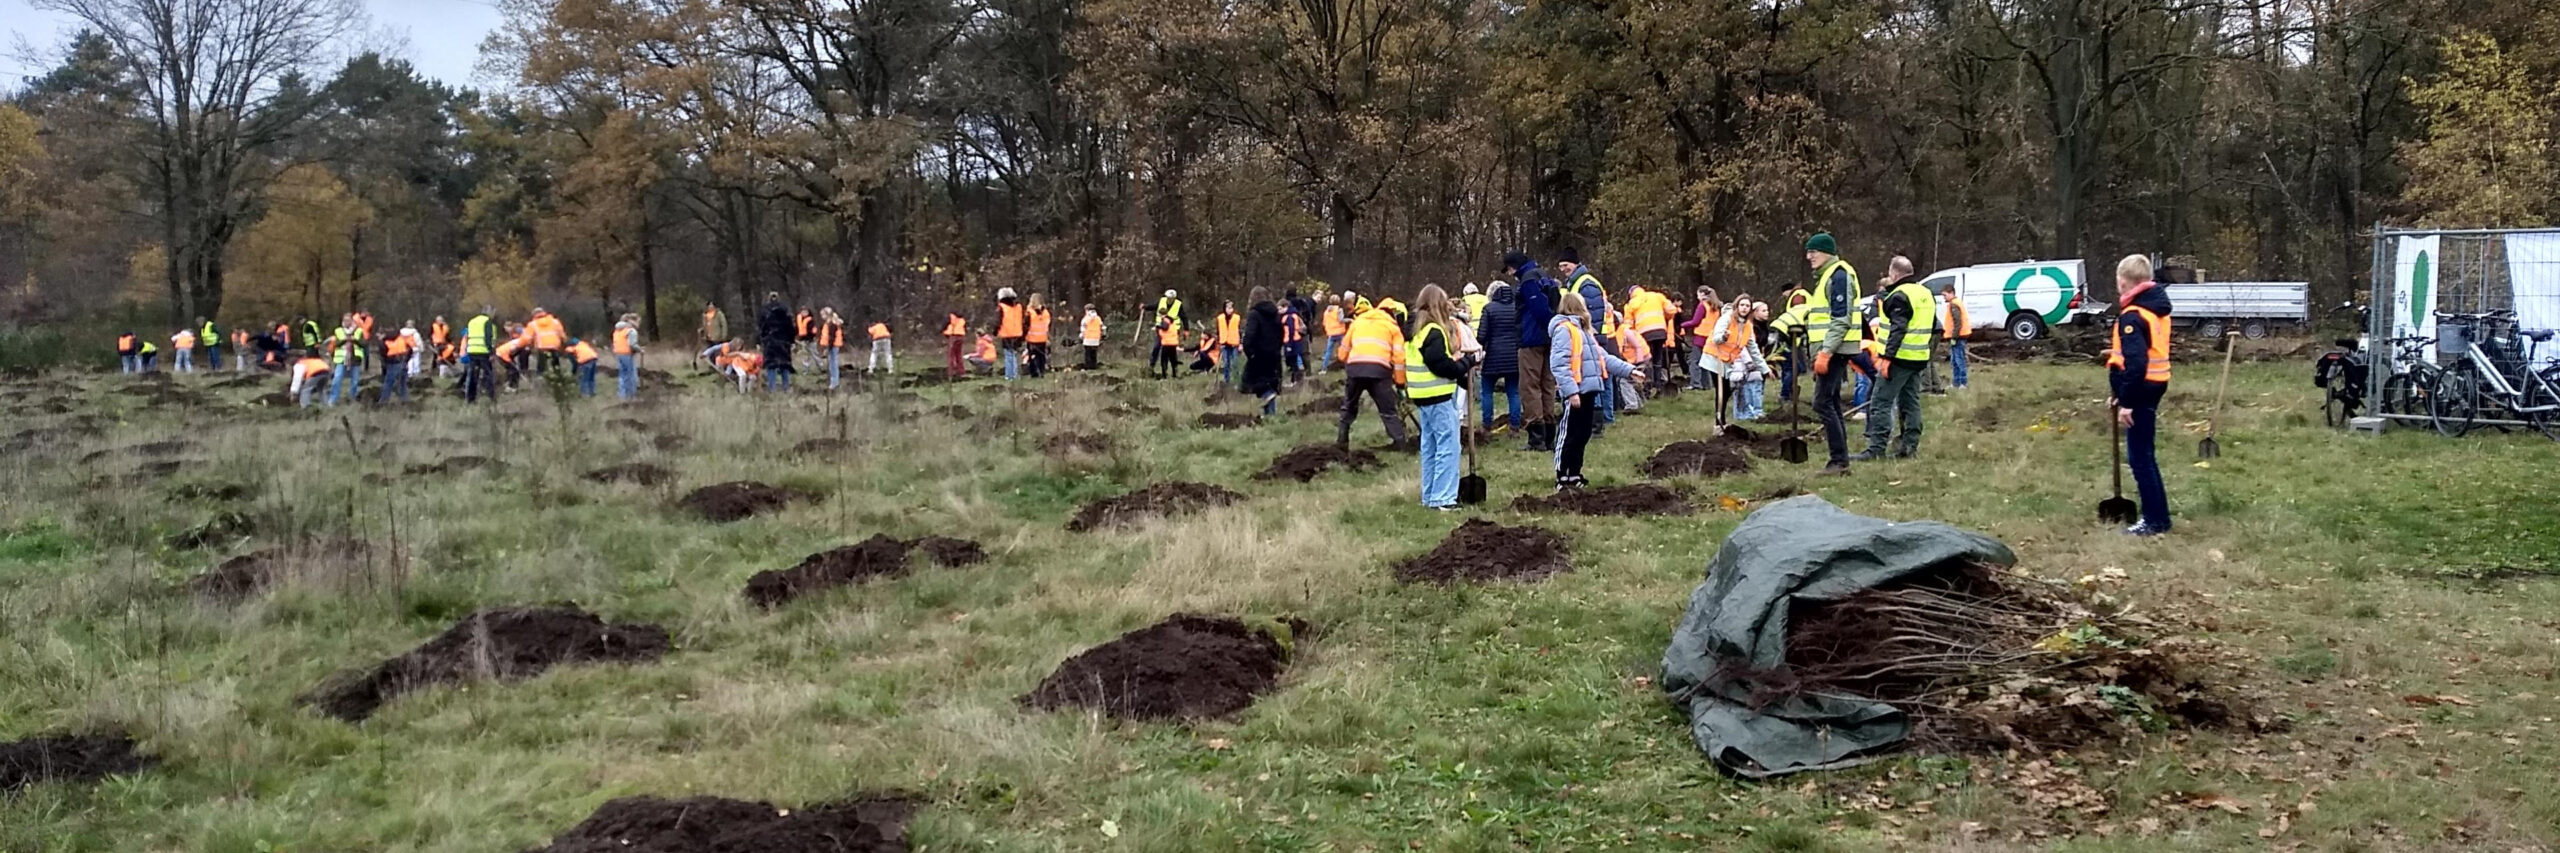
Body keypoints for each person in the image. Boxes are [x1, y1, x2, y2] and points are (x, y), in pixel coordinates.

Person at [2109, 254, 2174, 536]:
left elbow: (2136, 363)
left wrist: (2127, 401)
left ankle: (2155, 520)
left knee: (2140, 458)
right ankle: (2158, 515)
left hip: (2142, 390)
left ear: (2123, 282)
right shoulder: (2155, 309)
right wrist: (2118, 391)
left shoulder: (2133, 316)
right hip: (2155, 384)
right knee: (2145, 454)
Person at [1548, 292, 1635, 490]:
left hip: (1589, 391)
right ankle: (1562, 475)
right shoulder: (1565, 330)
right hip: (1576, 392)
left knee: (1582, 434)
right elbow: (1559, 365)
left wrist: (1630, 370)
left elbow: (1602, 357)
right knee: (1568, 434)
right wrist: (1571, 392)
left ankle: (1575, 474)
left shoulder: (1586, 332)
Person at [1855, 258, 1937, 461]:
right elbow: (1935, 326)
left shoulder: (1899, 296)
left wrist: (1886, 358)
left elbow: (1897, 330)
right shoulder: (1925, 293)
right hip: (1918, 357)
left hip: (1899, 358)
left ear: (1894, 273)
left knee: (1880, 401)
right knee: (1910, 402)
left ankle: (1876, 449)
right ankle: (1909, 447)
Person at [1801, 232, 1863, 475]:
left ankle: (1838, 461)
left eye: (1813, 251)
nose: (1809, 256)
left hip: (1835, 348)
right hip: (1832, 347)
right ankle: (1841, 458)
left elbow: (1841, 318)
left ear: (1826, 252)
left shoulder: (1839, 275)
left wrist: (1825, 352)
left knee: (1822, 402)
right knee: (1831, 401)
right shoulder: (1828, 275)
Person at [1406, 286, 1472, 509]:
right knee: (1448, 447)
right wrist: (1467, 363)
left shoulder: (1417, 331)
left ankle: (1430, 496)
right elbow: (1441, 366)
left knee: (1431, 448)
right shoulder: (1434, 331)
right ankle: (1443, 498)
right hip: (1438, 397)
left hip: (1423, 397)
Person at [1334, 296, 1410, 449]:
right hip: (1380, 372)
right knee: (1387, 409)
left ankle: (1342, 441)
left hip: (1355, 370)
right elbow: (1399, 360)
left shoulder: (1358, 322)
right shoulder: (1393, 328)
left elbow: (1342, 354)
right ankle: (1400, 443)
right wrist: (1400, 384)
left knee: (1349, 406)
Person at [1507, 252, 1560, 451]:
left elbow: (1539, 309)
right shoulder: (1545, 275)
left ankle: (1536, 438)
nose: (1511, 274)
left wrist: (1548, 326)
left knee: (1530, 387)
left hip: (1531, 339)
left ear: (1515, 266)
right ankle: (1549, 436)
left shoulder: (1528, 280)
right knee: (1547, 385)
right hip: (1548, 340)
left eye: (1510, 269)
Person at [1477, 281, 1522, 435]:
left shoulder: (1489, 309)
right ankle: (1515, 426)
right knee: (1514, 392)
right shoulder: (1517, 308)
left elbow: (1481, 336)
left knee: (1487, 391)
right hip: (1514, 356)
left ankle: (1486, 425)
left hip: (1493, 356)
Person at [1241, 287, 1285, 415]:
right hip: (1273, 354)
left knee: (1257, 384)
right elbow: (1281, 333)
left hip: (1259, 355)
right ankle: (1270, 416)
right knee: (1270, 383)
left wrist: (1250, 352)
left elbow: (1249, 336)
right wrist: (1277, 348)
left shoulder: (1254, 314)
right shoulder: (1275, 313)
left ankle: (1269, 410)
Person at [758, 292, 796, 392]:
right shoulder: (785, 310)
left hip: (770, 341)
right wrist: (791, 340)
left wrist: (761, 340)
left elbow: (761, 327)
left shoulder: (765, 311)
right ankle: (786, 387)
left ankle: (772, 388)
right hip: (784, 341)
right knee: (785, 364)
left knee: (771, 365)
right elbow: (791, 327)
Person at [463, 309, 499, 403]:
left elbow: (468, 336)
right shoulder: (487, 322)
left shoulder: (472, 321)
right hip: (483, 351)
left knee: (472, 375)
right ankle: (491, 397)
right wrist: (491, 353)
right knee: (488, 374)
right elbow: (488, 338)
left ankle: (470, 398)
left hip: (472, 351)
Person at [995, 287, 1026, 381]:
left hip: (1006, 333)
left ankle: (1009, 375)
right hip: (1018, 333)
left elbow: (998, 321)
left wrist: (995, 331)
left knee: (1008, 355)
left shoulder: (1001, 307)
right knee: (1014, 354)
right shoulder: (1019, 306)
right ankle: (1015, 374)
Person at [380, 322, 415, 403]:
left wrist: (385, 365)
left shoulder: (384, 342)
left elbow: (383, 355)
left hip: (392, 364)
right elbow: (410, 350)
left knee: (388, 383)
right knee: (403, 384)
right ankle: (405, 400)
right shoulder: (402, 339)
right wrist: (406, 361)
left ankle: (383, 401)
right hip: (402, 362)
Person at [1943, 288, 1971, 390]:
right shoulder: (1955, 303)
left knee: (1959, 360)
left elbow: (1957, 323)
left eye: (1945, 295)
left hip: (1958, 337)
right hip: (1958, 336)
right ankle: (1956, 383)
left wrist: (1954, 337)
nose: (1944, 298)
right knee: (1954, 361)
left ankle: (1962, 383)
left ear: (1951, 293)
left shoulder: (1954, 305)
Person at [610, 314, 643, 399]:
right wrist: (640, 350)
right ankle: (631, 395)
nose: (639, 324)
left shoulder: (617, 330)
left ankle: (622, 395)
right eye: (638, 321)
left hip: (619, 354)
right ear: (633, 321)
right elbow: (632, 344)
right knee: (631, 375)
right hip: (627, 354)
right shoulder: (631, 330)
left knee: (622, 375)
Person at [529, 308, 568, 374]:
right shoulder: (555, 321)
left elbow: (528, 337)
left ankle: (540, 378)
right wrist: (565, 340)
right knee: (555, 363)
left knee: (542, 365)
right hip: (554, 345)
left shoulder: (533, 324)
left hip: (541, 346)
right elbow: (561, 333)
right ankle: (558, 377)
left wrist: (523, 345)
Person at [816, 307, 847, 389]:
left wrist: (827, 348)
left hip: (832, 346)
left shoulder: (832, 325)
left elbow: (831, 337)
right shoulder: (830, 323)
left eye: (823, 314)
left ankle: (834, 383)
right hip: (832, 345)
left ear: (827, 315)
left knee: (833, 364)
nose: (822, 316)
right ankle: (833, 382)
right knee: (832, 364)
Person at [1278, 298, 1307, 386]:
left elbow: (1290, 331)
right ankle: (1295, 380)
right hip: (1294, 340)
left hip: (1291, 341)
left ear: (1285, 307)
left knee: (1292, 362)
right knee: (1293, 362)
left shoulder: (1289, 317)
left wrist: (1289, 345)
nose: (1279, 311)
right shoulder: (1292, 315)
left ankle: (1295, 380)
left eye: (1280, 309)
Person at [1215, 301, 1243, 387]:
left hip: (1234, 343)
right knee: (1226, 363)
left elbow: (1240, 331)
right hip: (1224, 344)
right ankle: (1227, 381)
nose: (1230, 310)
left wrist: (1241, 343)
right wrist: (1218, 343)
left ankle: (1237, 380)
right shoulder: (1220, 318)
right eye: (1228, 308)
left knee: (1235, 363)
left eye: (1231, 308)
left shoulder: (1237, 318)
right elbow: (1218, 331)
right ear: (1224, 308)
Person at [1025, 294, 1053, 378]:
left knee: (1032, 356)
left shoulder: (1029, 312)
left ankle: (1034, 373)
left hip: (1032, 338)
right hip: (1043, 338)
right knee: (1041, 357)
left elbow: (1026, 325)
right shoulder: (1045, 312)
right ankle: (1042, 372)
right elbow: (1047, 325)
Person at [1151, 310, 1183, 379]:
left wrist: (1157, 327)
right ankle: (1174, 374)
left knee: (1164, 360)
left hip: (1167, 343)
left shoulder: (1165, 320)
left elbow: (1165, 327)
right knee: (1173, 360)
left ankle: (1164, 376)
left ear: (1160, 314)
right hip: (1173, 343)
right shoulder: (1171, 321)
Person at [1319, 294, 1346, 372]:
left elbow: (1324, 323)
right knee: (1344, 349)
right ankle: (1345, 365)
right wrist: (1349, 320)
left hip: (1331, 334)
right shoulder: (1339, 310)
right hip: (1340, 332)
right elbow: (1341, 320)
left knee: (1328, 352)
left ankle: (1324, 369)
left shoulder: (1326, 311)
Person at [942, 310, 968, 378]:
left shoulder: (951, 317)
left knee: (951, 355)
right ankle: (961, 371)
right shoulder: (962, 319)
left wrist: (944, 332)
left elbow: (944, 325)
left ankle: (951, 372)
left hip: (953, 336)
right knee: (958, 355)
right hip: (961, 337)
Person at [1079, 304, 1104, 369]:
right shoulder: (1098, 318)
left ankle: (1088, 366)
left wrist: (1081, 336)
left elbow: (1083, 328)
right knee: (1094, 353)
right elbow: (1102, 327)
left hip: (1088, 338)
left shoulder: (1086, 318)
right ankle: (1094, 366)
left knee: (1088, 353)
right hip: (1096, 338)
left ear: (1087, 310)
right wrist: (1102, 335)